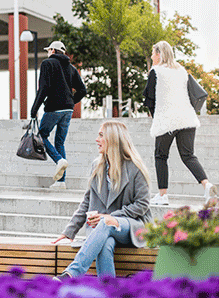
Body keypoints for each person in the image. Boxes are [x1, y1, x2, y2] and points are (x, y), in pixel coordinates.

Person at [52, 120, 152, 279]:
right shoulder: (97, 166)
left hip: (131, 226)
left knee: (106, 223)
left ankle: (72, 273)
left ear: (113, 139)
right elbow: (86, 201)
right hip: (102, 228)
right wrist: (70, 231)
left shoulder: (135, 168)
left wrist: (112, 217)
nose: (96, 140)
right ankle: (108, 291)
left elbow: (142, 204)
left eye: (101, 135)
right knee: (105, 244)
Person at [142, 41, 218, 205]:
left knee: (160, 156)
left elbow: (149, 100)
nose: (151, 56)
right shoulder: (181, 70)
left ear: (160, 54)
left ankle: (163, 195)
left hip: (167, 121)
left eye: (153, 53)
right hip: (187, 119)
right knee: (189, 155)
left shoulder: (155, 71)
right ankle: (207, 185)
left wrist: (156, 118)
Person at [30, 40, 86, 190]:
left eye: (48, 50)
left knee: (42, 136)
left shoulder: (47, 64)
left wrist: (34, 109)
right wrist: (70, 102)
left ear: (53, 51)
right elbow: (82, 90)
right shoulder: (71, 68)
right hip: (68, 110)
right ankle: (61, 182)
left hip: (53, 108)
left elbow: (43, 88)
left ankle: (59, 160)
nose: (47, 53)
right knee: (59, 142)